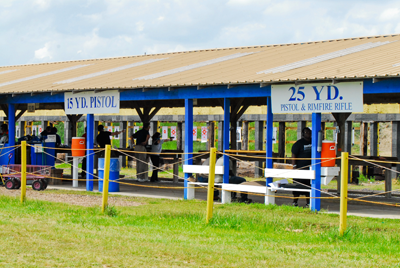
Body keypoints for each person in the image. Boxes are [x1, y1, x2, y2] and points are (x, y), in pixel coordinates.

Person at [290, 127, 312, 207]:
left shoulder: (314, 142)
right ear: (303, 134)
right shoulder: (298, 143)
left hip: (310, 168)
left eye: (309, 132)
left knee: (309, 186)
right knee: (297, 185)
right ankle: (295, 202)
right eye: (306, 132)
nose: (308, 134)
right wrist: (294, 166)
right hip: (300, 168)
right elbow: (293, 154)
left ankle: (308, 203)